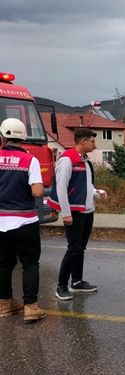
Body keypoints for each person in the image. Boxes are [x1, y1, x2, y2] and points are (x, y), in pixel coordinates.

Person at [49, 128, 107, 301]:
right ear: (83, 142)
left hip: (87, 210)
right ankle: (61, 286)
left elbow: (87, 184)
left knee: (80, 248)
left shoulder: (85, 160)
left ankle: (77, 281)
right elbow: (61, 187)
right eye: (92, 140)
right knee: (73, 249)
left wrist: (96, 193)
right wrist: (65, 213)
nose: (94, 143)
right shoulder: (67, 160)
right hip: (74, 211)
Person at [0, 119, 46, 322]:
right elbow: (36, 190)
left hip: (1, 220)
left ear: (3, 137)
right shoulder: (30, 160)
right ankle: (30, 307)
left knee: (3, 264)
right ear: (23, 137)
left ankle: (4, 304)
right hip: (25, 221)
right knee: (30, 263)